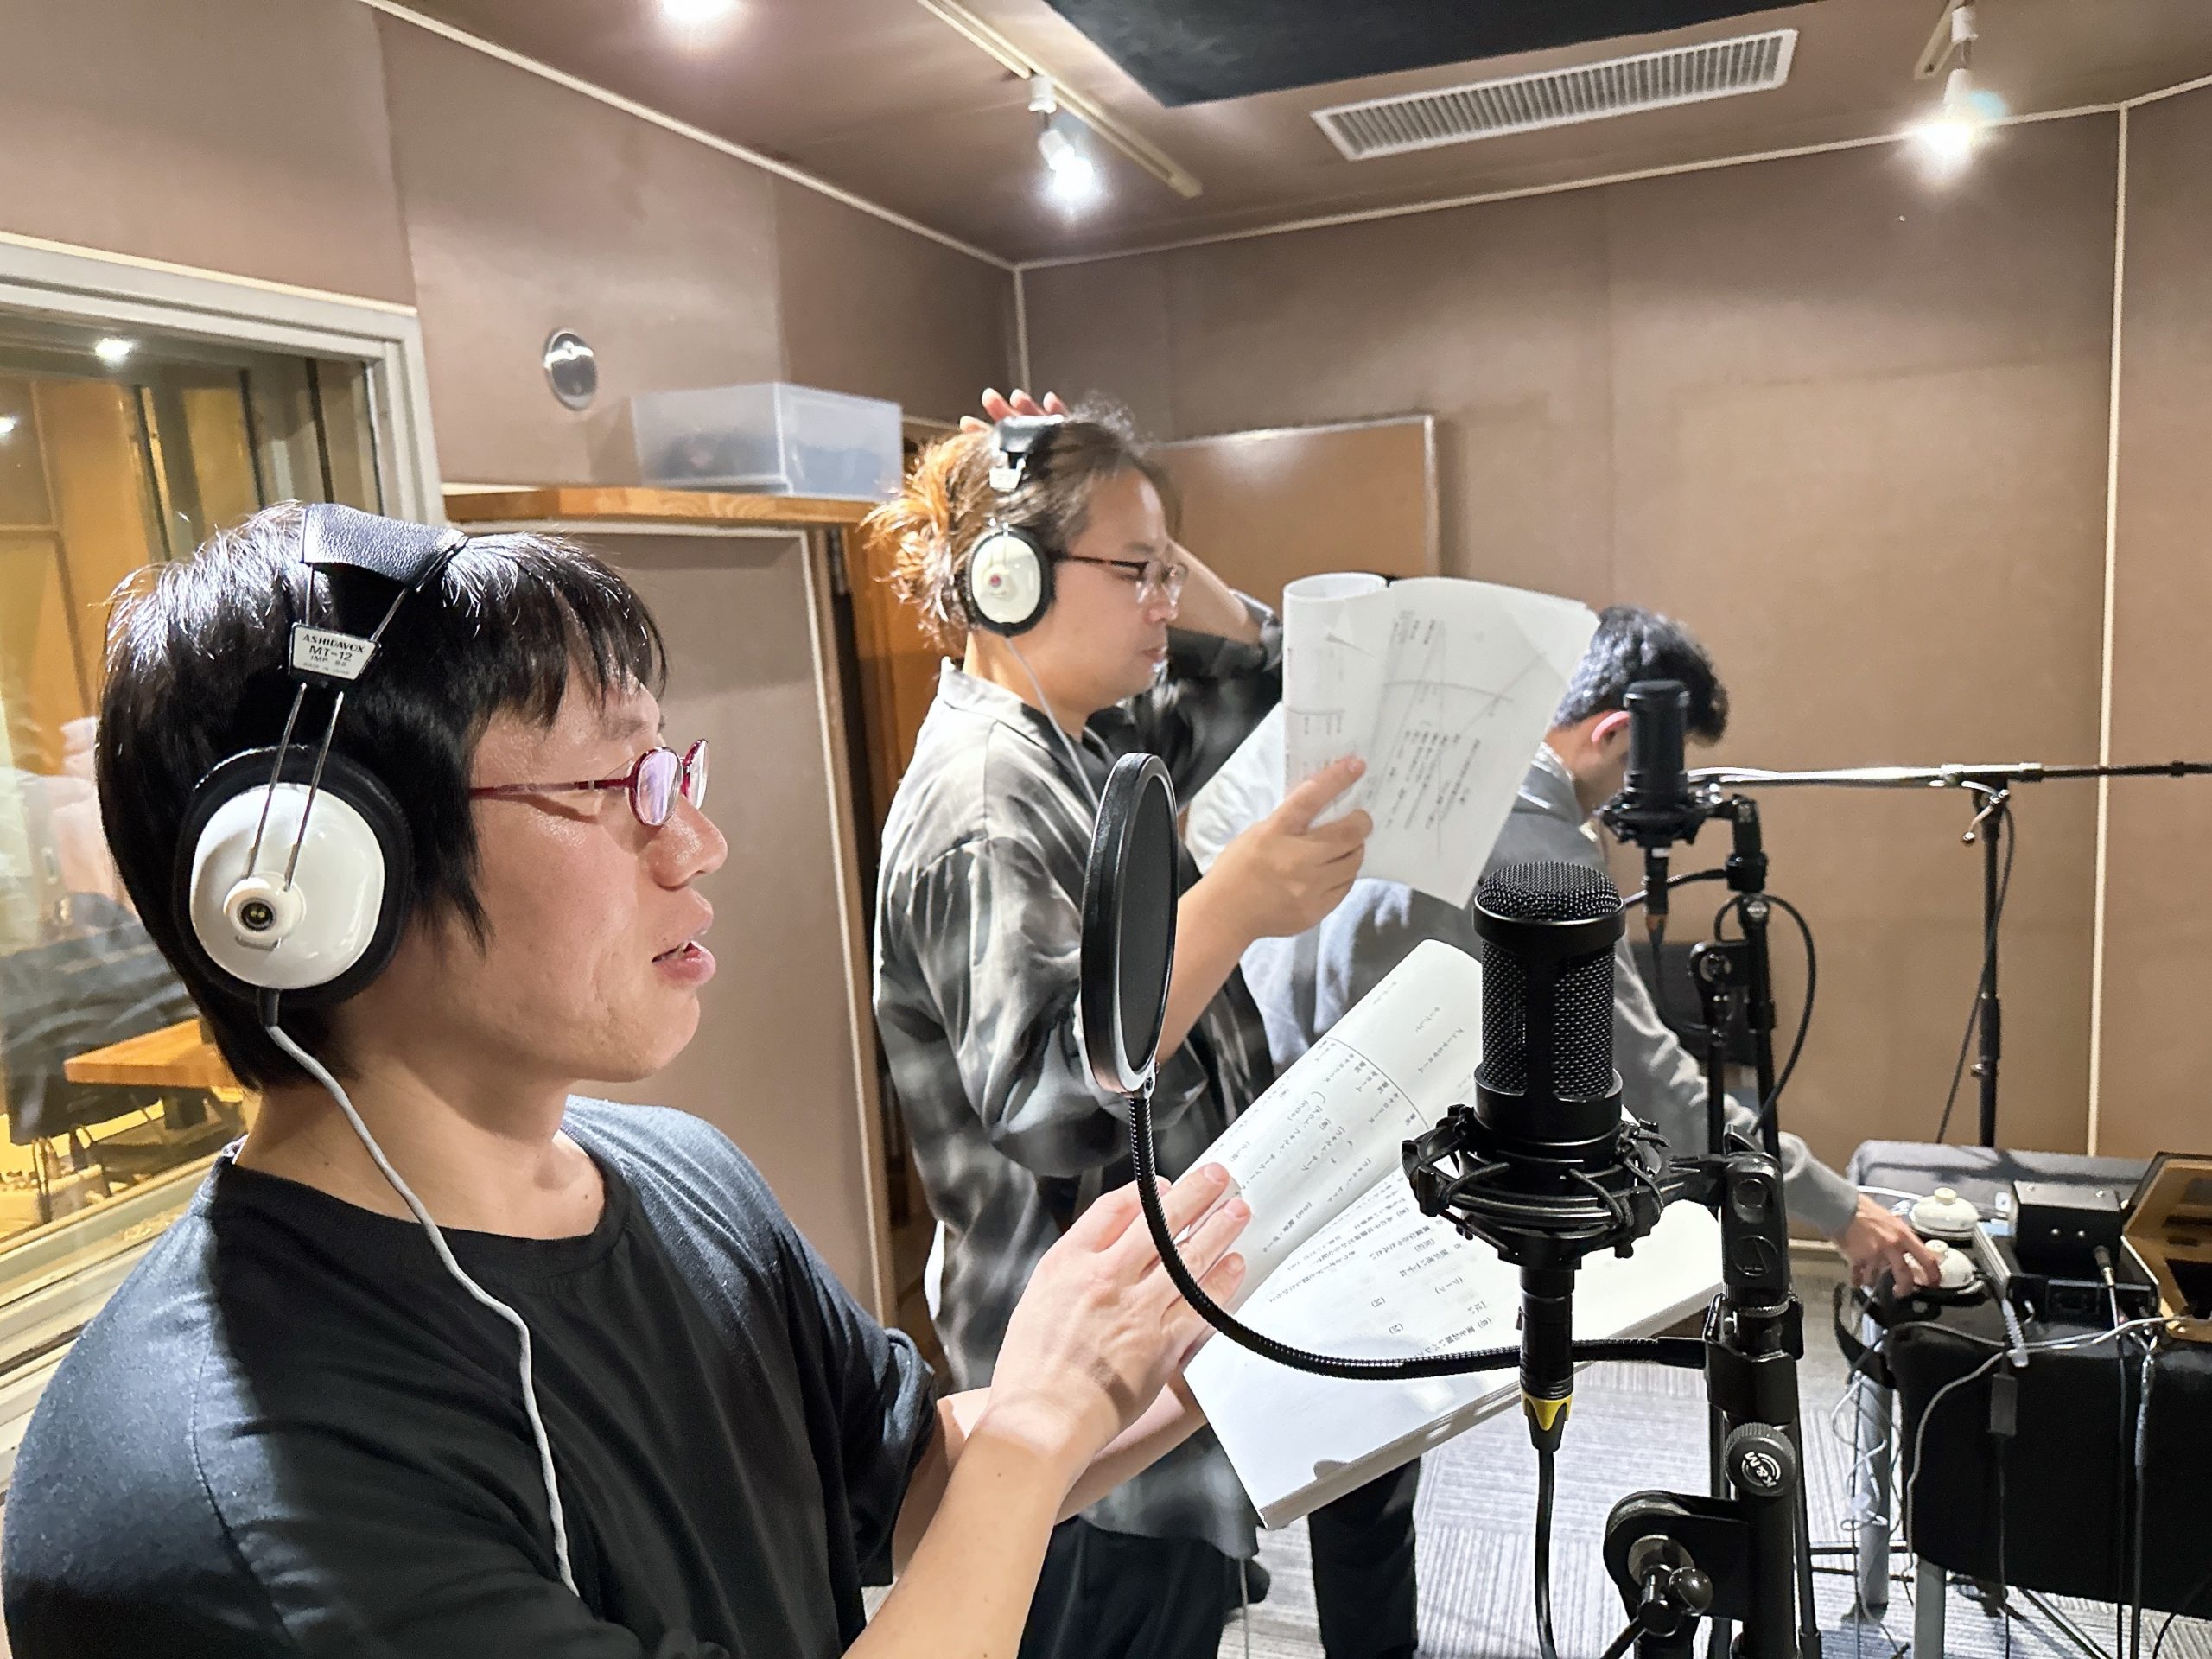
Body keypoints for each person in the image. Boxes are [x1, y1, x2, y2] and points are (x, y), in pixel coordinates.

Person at [1, 500, 1256, 1658]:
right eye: (617, 785)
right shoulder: (243, 1480)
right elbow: (1007, 1462)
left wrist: (1182, 1358)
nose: (696, 842)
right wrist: (1037, 1427)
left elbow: (904, 1481)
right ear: (325, 880)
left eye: (673, 770)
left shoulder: (678, 1172)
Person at [869, 391, 1415, 1659]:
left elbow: (1269, 674)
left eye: (1167, 571)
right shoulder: (986, 802)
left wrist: (1145, 542)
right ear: (1007, 581)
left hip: (1146, 1367)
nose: (1167, 602)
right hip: (1075, 1406)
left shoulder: (1086, 733)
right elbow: (1050, 1107)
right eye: (1139, 573)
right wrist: (1230, 908)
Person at [1189, 603, 1939, 1291]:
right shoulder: (1542, 853)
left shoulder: (1418, 782)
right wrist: (1838, 1208)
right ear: (1613, 732)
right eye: (1643, 768)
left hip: (1271, 1153)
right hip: (1391, 1202)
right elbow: (1650, 1081)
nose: (1626, 802)